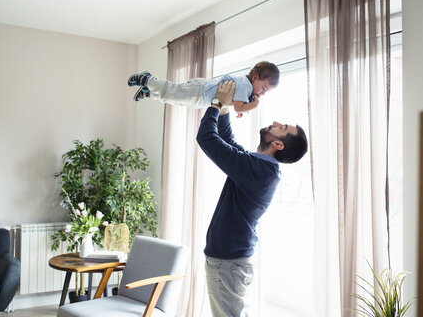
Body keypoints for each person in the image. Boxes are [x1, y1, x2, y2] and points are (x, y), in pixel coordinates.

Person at [196, 80, 308, 316]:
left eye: (282, 127)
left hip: (227, 262)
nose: (275, 123)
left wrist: (216, 103)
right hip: (231, 260)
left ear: (278, 144)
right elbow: (228, 142)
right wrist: (225, 108)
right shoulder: (260, 167)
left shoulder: (258, 172)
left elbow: (207, 138)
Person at [127, 61, 280, 118]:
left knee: (173, 99)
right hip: (200, 92)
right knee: (171, 92)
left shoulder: (245, 88)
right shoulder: (246, 86)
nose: (262, 93)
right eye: (264, 88)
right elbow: (237, 106)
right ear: (255, 77)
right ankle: (147, 79)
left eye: (266, 92)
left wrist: (242, 107)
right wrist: (254, 105)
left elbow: (235, 104)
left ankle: (149, 91)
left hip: (202, 96)